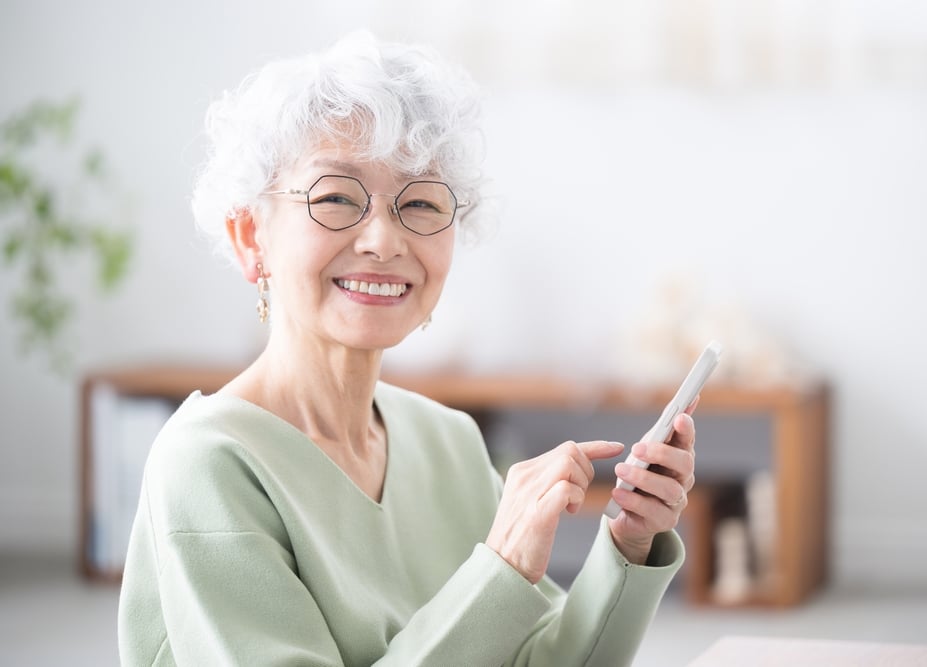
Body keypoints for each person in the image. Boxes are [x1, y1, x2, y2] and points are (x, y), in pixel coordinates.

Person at [118, 31, 698, 667]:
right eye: (336, 196)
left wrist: (630, 543)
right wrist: (502, 566)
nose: (382, 240)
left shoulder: (445, 438)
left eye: (419, 203)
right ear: (250, 235)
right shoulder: (208, 463)